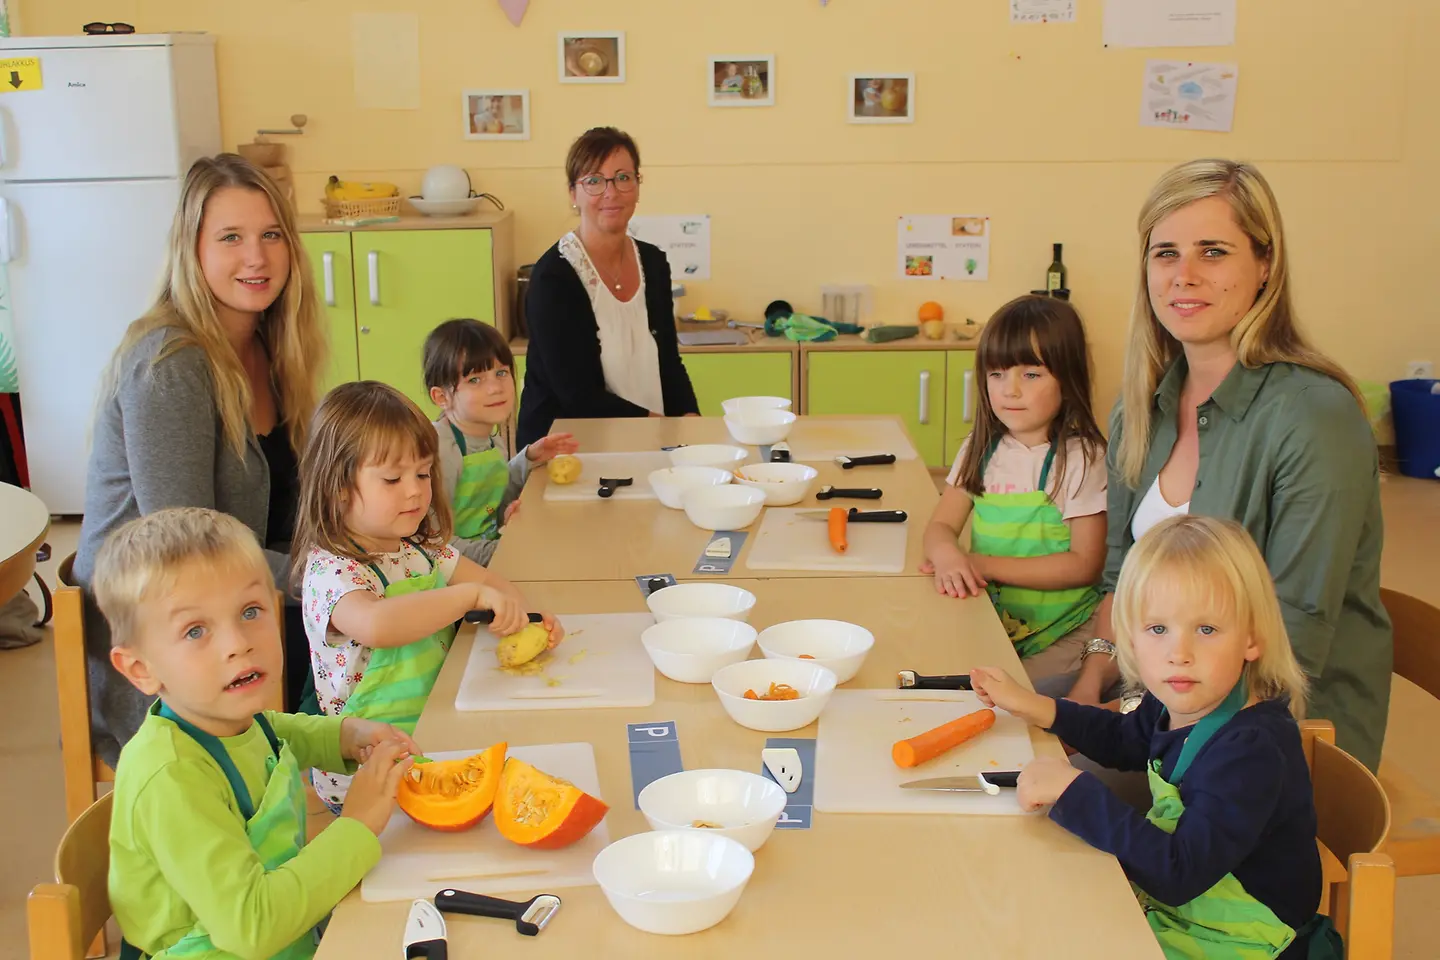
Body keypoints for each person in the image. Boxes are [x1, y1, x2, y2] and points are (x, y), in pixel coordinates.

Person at [1064, 159, 1391, 771]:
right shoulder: (1141, 406)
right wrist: (1088, 691)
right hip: (1162, 702)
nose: (1184, 276)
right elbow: (1121, 580)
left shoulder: (1315, 417)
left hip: (1274, 742)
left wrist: (1132, 731)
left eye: (1213, 252)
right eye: (1165, 253)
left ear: (1264, 266)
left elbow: (1293, 642)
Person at [972, 516, 1337, 960]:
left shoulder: (1251, 750)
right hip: (1185, 910)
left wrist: (1075, 791)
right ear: (1131, 636)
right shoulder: (1179, 699)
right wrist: (1035, 706)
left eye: (1206, 629)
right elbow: (1125, 739)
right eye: (1157, 629)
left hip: (1242, 938)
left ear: (1252, 639)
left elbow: (1178, 872)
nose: (1178, 654)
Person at [74, 153, 327, 766]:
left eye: (271, 235)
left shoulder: (272, 349)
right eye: (231, 238)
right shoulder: (171, 364)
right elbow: (186, 549)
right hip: (169, 631)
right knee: (380, 650)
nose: (256, 258)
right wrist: (325, 580)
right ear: (192, 250)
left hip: (241, 602)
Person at [99, 507, 417, 960]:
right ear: (141, 669)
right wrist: (357, 825)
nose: (237, 643)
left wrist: (344, 735)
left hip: (289, 933)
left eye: (250, 611)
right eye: (195, 631)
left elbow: (275, 731)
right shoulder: (170, 777)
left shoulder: (224, 718)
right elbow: (252, 927)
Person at [292, 381, 561, 813]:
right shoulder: (333, 572)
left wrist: (526, 617)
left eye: (421, 473)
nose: (416, 491)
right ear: (338, 485)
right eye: (393, 479)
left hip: (434, 733)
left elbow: (494, 584)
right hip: (370, 774)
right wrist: (466, 597)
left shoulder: (421, 550)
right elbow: (380, 625)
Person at [920, 295, 1108, 696]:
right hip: (996, 621)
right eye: (998, 374)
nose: (1011, 390)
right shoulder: (981, 446)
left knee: (1007, 704)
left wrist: (980, 563)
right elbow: (939, 525)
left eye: (1032, 374)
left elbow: (1084, 565)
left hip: (1063, 632)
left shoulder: (1083, 457)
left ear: (1068, 378)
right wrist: (947, 555)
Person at [516, 126, 699, 448]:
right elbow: (578, 395)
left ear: (638, 185)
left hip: (648, 440)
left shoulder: (654, 263)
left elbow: (668, 362)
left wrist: (689, 420)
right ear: (574, 193)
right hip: (565, 451)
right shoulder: (554, 278)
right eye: (594, 181)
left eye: (623, 178)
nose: (611, 193)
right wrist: (661, 429)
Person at [422, 319, 578, 565]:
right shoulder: (441, 450)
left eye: (501, 373)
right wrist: (500, 551)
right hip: (456, 571)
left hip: (489, 551)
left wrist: (528, 458)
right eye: (475, 380)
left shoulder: (493, 442)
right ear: (442, 397)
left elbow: (497, 498)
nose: (495, 388)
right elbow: (432, 541)